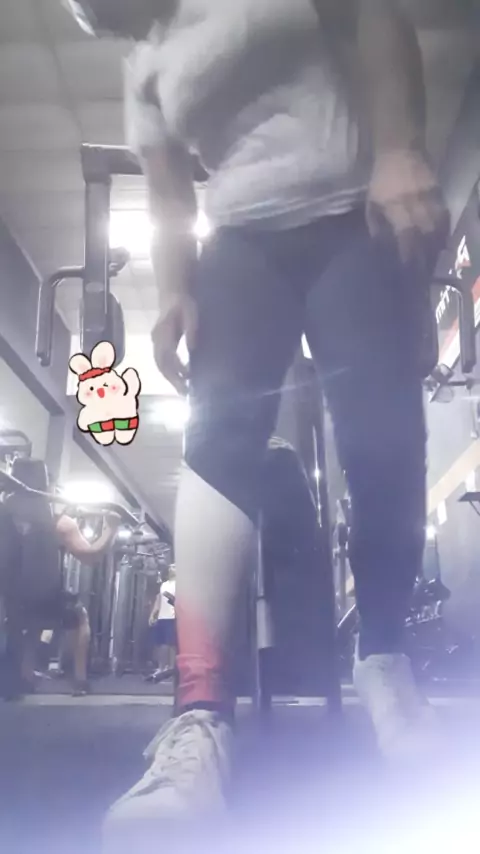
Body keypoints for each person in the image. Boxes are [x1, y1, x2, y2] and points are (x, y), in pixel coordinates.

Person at [65, 0, 450, 834]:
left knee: (381, 432)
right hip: (243, 243)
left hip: (350, 214)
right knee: (217, 440)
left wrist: (397, 148)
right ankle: (200, 712)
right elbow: (169, 196)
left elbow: (374, 19)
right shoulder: (146, 65)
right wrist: (174, 290)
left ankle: (384, 658)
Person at [5, 509, 122, 699]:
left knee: (29, 626)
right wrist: (111, 528)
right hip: (43, 590)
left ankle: (24, 677)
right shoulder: (58, 521)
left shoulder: (7, 512)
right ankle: (79, 680)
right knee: (79, 618)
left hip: (12, 592)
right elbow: (91, 556)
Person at [147, 565, 176, 682]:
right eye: (171, 567)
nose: (171, 568)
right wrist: (153, 614)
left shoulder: (179, 585)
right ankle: (161, 668)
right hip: (162, 617)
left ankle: (171, 669)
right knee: (161, 643)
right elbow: (158, 601)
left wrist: (171, 598)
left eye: (174, 567)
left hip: (173, 617)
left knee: (171, 644)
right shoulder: (164, 585)